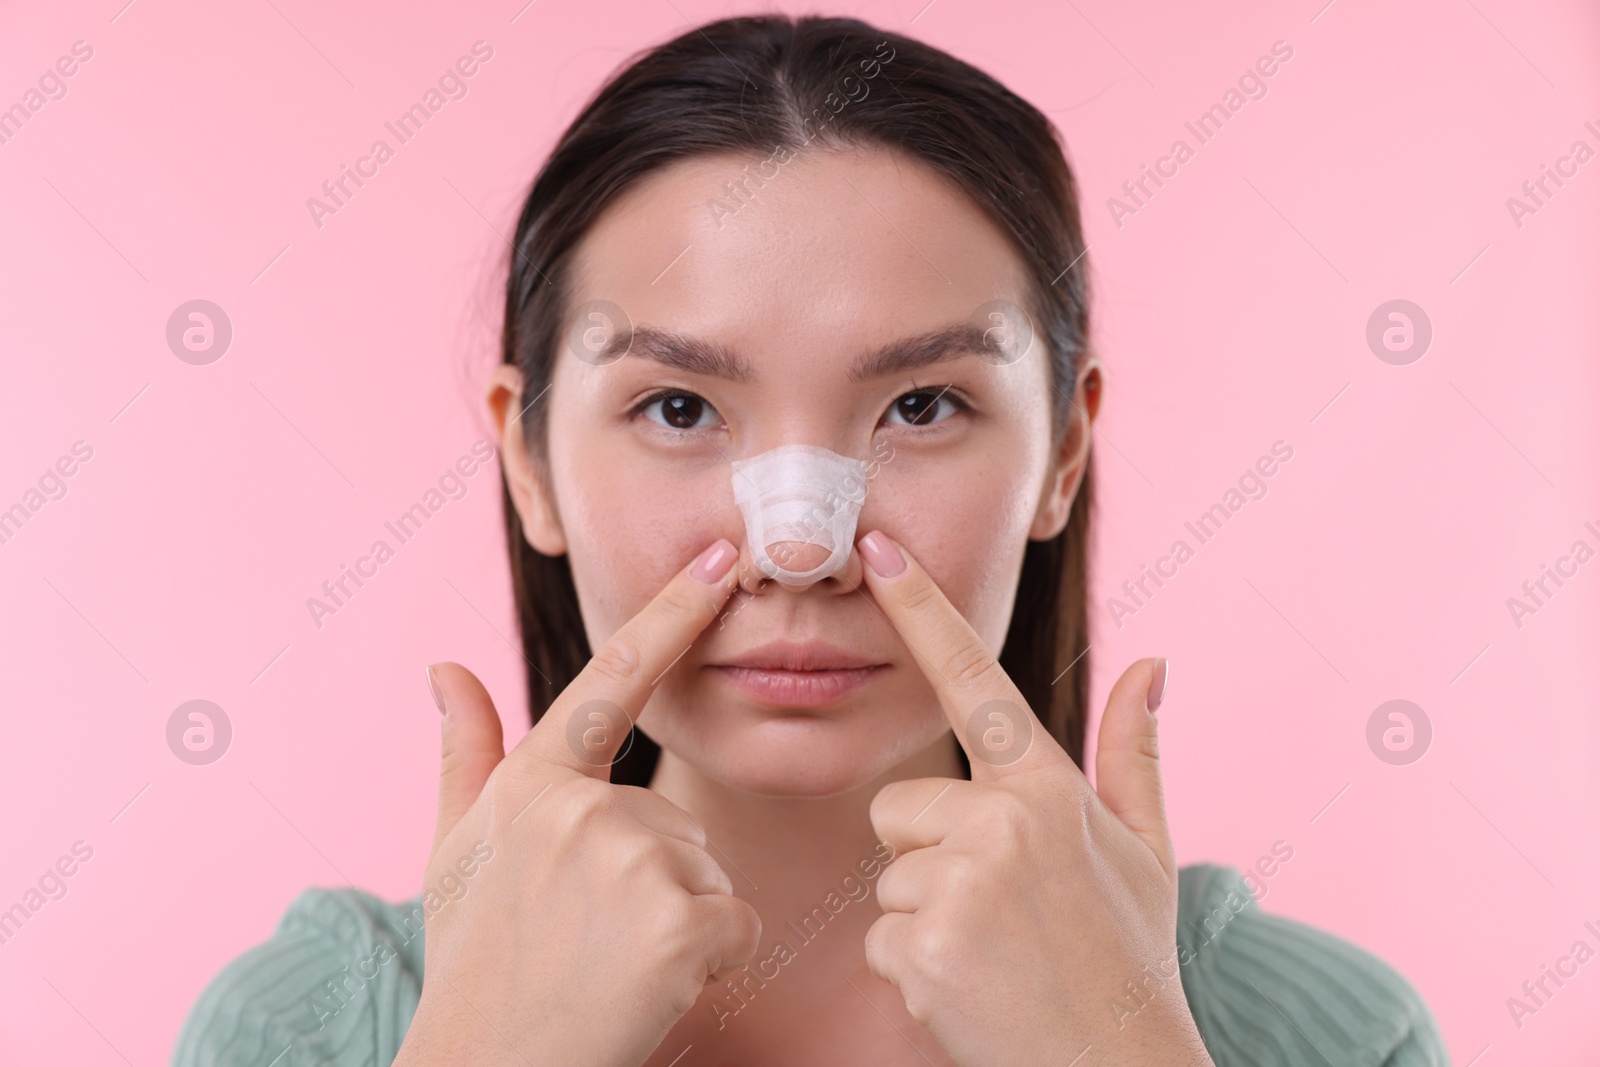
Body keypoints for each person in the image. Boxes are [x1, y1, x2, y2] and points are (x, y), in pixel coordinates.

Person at [172, 15, 1449, 1066]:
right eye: (678, 408)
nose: (799, 549)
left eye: (921, 405)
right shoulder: (307, 1025)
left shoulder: (1322, 1031)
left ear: (1062, 450)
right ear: (529, 457)